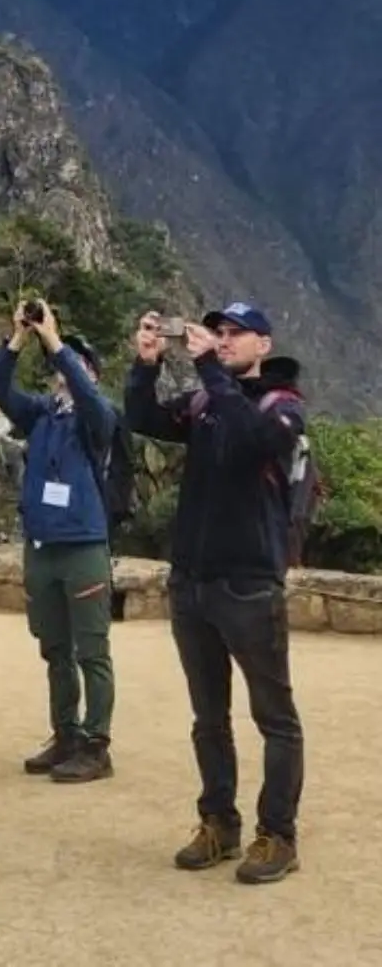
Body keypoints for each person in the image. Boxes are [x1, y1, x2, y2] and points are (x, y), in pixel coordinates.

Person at [126, 303, 308, 885]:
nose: (224, 341)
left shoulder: (282, 407)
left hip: (249, 583)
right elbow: (143, 419)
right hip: (194, 581)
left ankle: (277, 834)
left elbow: (251, 441)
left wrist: (208, 368)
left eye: (236, 335)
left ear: (264, 343)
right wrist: (146, 366)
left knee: (274, 717)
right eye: (219, 334)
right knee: (209, 717)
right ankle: (218, 823)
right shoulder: (206, 402)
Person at [0, 302, 121, 784]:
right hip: (42, 547)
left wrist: (59, 344)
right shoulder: (41, 415)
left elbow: (88, 397)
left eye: (80, 364)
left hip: (83, 547)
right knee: (54, 649)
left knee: (92, 650)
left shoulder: (98, 419)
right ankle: (65, 735)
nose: (67, 370)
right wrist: (19, 339)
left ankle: (96, 743)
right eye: (64, 363)